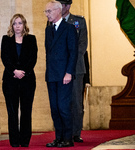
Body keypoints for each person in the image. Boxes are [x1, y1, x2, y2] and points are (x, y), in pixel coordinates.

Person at [44, 0, 78, 148]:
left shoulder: (69, 28)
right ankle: (58, 138)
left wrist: (69, 72)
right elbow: (48, 53)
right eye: (46, 12)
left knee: (64, 107)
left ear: (58, 10)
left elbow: (73, 53)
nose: (47, 14)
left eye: (49, 11)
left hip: (64, 75)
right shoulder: (48, 30)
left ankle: (68, 138)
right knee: (54, 108)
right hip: (52, 75)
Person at [1, 13, 38, 147]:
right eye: (15, 23)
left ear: (24, 25)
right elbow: (5, 58)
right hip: (10, 81)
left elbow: (33, 58)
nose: (17, 26)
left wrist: (24, 72)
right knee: (12, 112)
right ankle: (14, 141)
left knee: (26, 111)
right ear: (12, 25)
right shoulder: (6, 39)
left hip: (27, 80)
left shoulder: (31, 39)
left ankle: (25, 140)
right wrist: (14, 71)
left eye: (20, 23)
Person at [56, 0, 89, 143]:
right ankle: (63, 132)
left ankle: (76, 133)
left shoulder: (78, 21)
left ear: (67, 6)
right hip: (59, 69)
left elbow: (82, 45)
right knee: (61, 102)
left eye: (60, 5)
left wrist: (69, 63)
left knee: (76, 102)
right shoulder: (53, 22)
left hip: (76, 68)